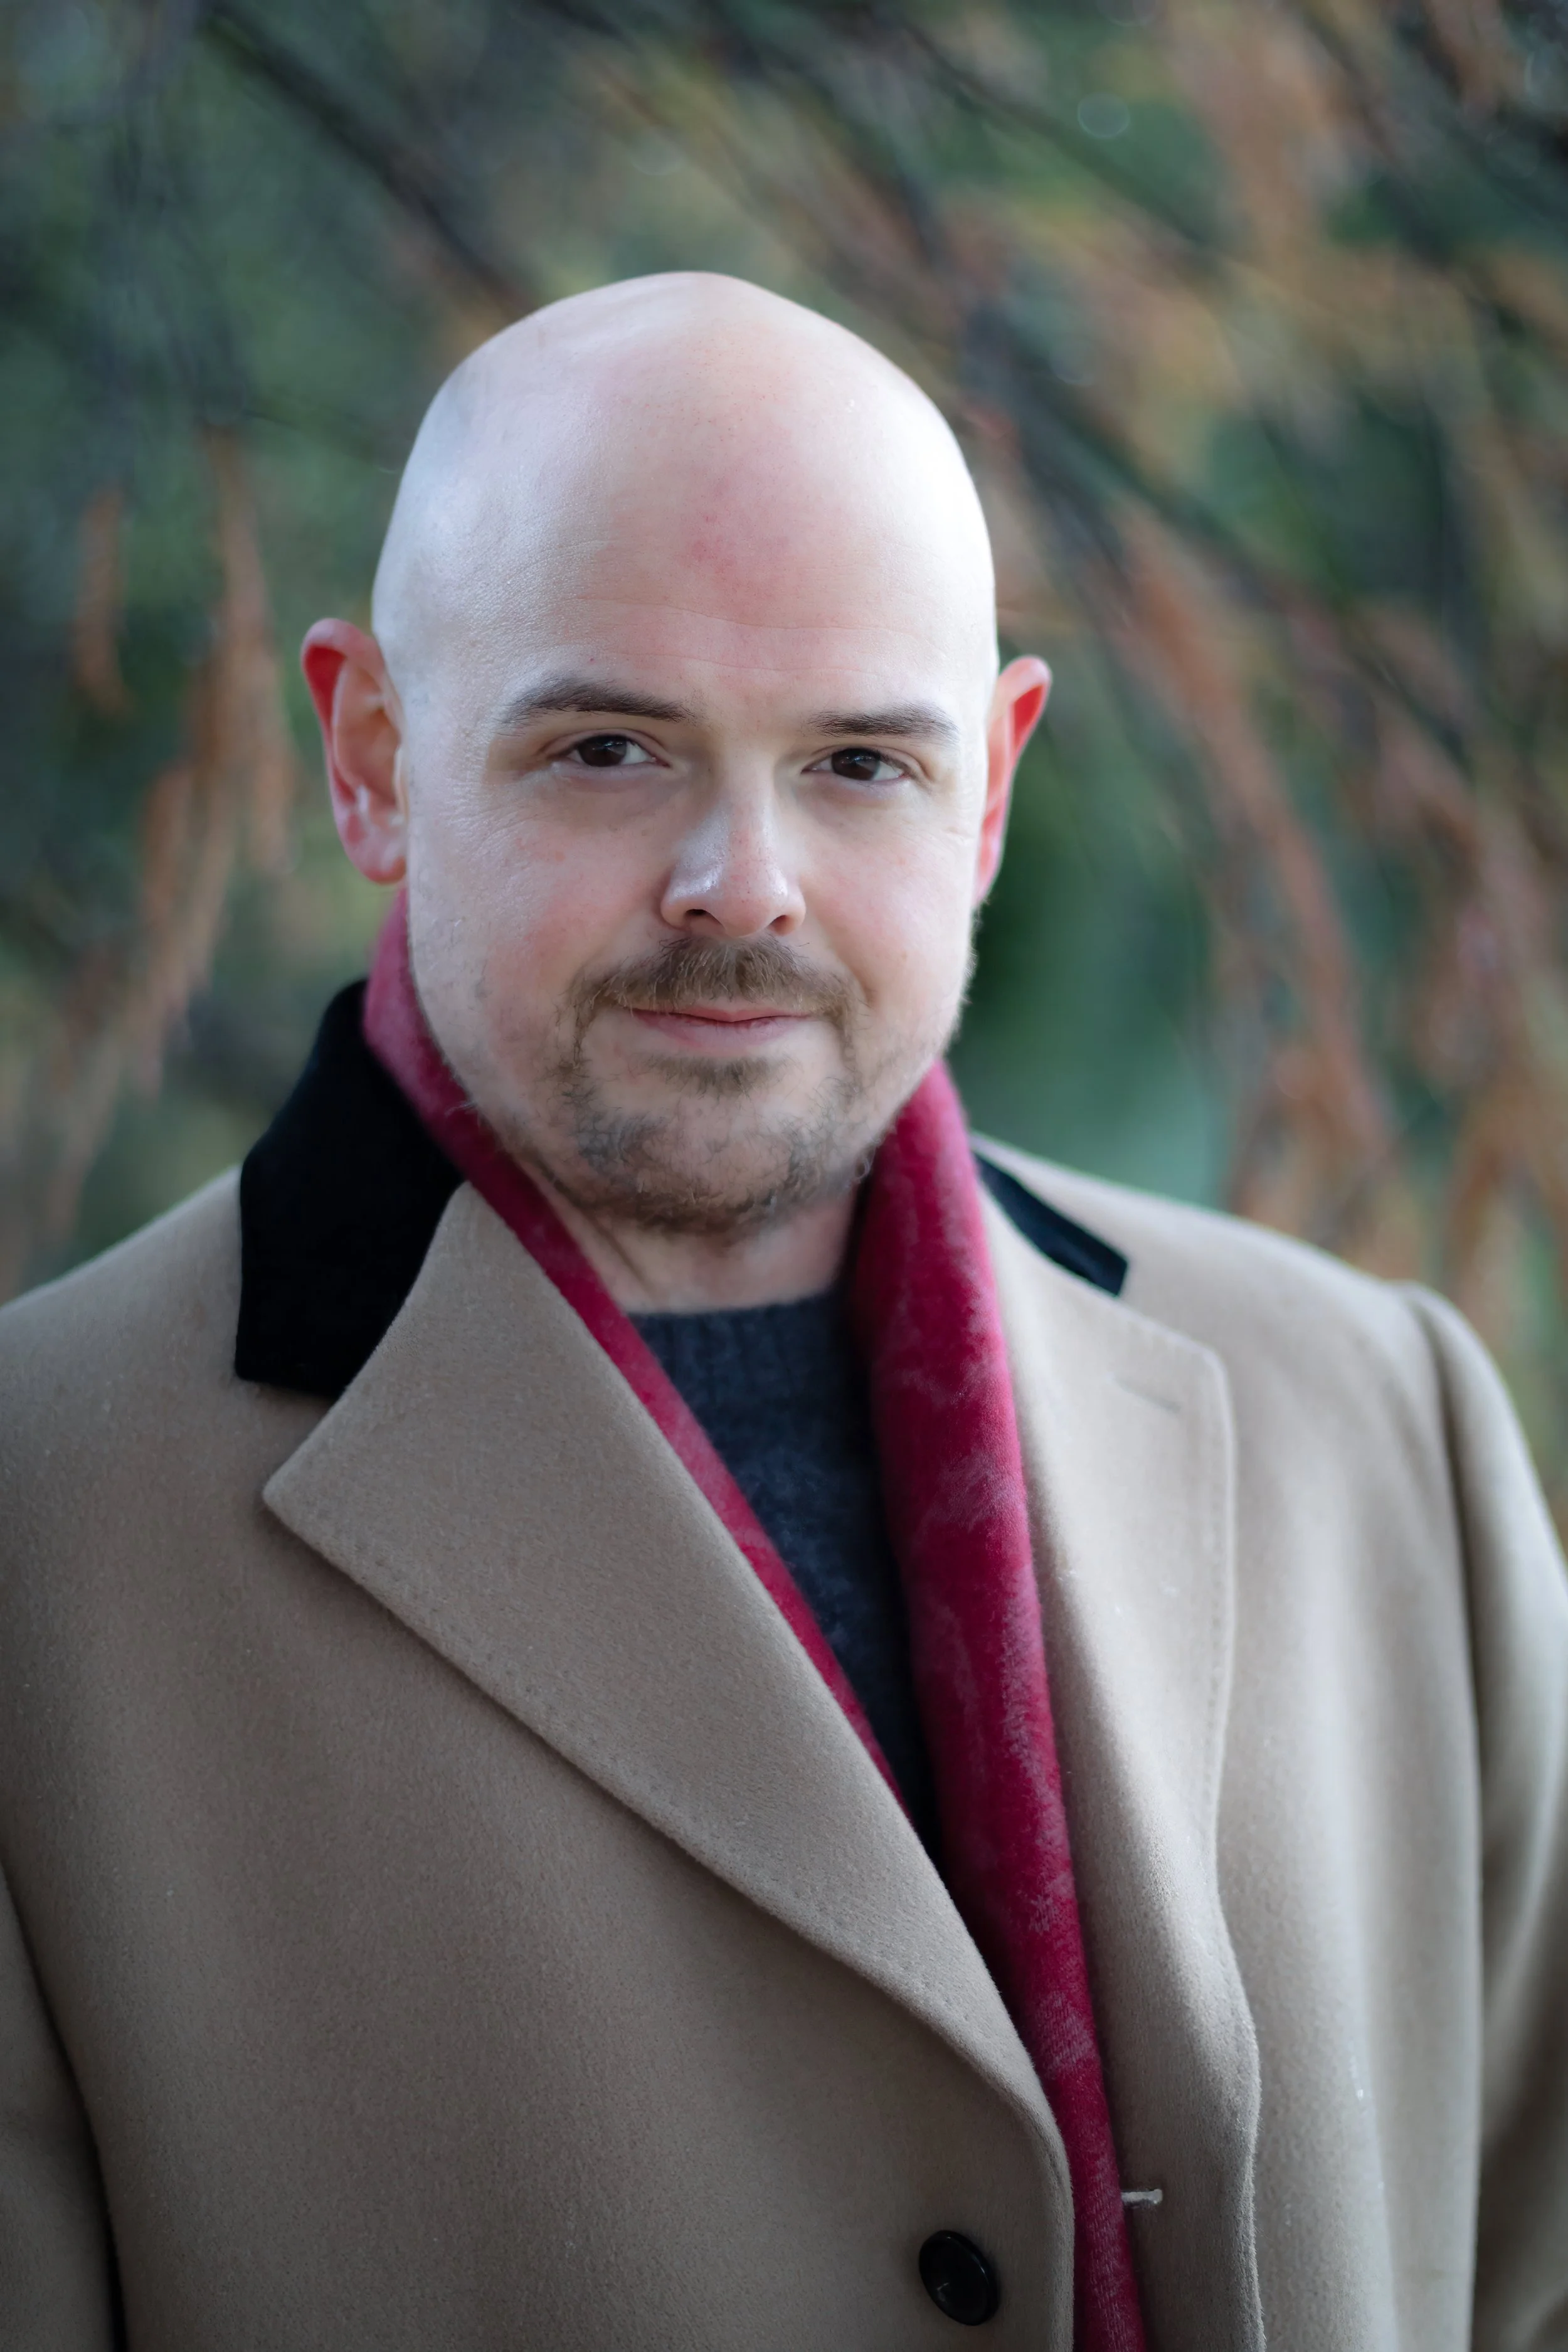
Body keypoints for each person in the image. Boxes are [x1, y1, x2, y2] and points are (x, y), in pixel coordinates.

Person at [0, 272, 1563, 2352]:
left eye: (856, 761)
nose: (743, 883)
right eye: (611, 744)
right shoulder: (37, 1532)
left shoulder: (1382, 1422)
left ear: (990, 788)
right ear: (370, 757)